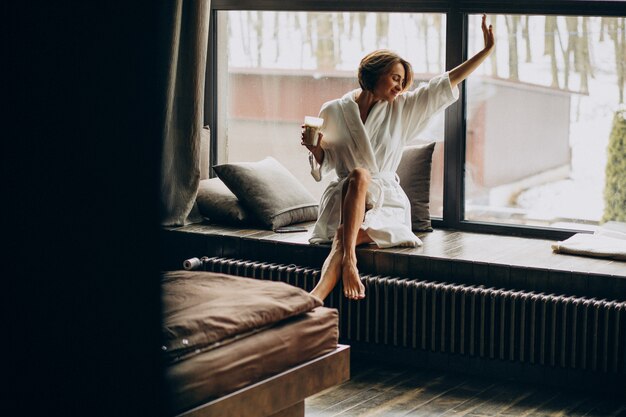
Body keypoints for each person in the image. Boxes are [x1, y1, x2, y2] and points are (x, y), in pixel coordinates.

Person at [302, 14, 495, 301]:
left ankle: (321, 290)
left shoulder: (402, 107)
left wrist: (485, 51)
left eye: (403, 81)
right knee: (357, 176)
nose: (399, 86)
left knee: (348, 225)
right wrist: (313, 148)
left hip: (385, 202)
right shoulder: (332, 110)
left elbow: (444, 84)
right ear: (373, 73)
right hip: (345, 200)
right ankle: (341, 269)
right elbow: (327, 161)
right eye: (394, 78)